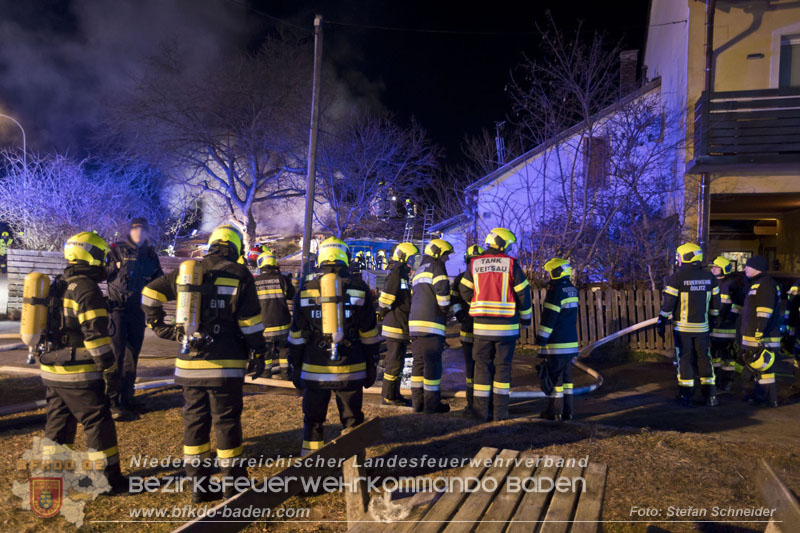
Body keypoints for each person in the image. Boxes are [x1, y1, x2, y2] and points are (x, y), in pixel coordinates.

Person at [141, 224, 267, 502]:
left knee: (195, 421)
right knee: (226, 422)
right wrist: (259, 352)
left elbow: (149, 294)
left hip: (190, 363)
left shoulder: (188, 270)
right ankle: (233, 485)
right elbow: (250, 322)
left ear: (212, 245)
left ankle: (199, 486)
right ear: (237, 249)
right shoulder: (239, 274)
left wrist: (160, 326)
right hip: (226, 364)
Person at [40, 232, 127, 493]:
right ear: (91, 256)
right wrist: (110, 370)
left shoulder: (59, 283)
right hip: (78, 372)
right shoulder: (87, 289)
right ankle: (106, 480)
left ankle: (52, 477)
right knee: (98, 421)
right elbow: (96, 338)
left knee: (58, 423)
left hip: (52, 370)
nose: (105, 263)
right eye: (102, 256)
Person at [287, 237, 381, 456]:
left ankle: (309, 471)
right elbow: (369, 334)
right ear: (345, 258)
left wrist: (295, 366)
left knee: (313, 421)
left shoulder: (306, 289)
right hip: (351, 367)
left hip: (314, 369)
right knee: (352, 419)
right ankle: (355, 471)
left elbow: (296, 336)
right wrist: (371, 365)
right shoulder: (360, 288)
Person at [459, 229, 532, 421]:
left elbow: (464, 290)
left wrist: (476, 304)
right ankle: (500, 412)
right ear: (501, 244)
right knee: (502, 368)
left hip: (481, 328)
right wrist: (525, 319)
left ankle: (481, 412)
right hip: (506, 328)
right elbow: (524, 294)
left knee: (481, 367)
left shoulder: (475, 264)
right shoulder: (510, 264)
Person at [106, 218, 163, 419]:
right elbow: (103, 273)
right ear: (130, 231)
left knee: (132, 358)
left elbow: (158, 283)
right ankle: (111, 401)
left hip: (138, 312)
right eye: (135, 229)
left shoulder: (150, 255)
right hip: (117, 311)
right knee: (116, 357)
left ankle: (127, 398)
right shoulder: (117, 251)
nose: (138, 232)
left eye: (142, 229)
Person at [656, 243, 720, 407]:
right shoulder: (710, 277)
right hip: (703, 328)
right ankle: (711, 396)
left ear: (685, 257)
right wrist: (713, 320)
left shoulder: (677, 277)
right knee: (704, 359)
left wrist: (661, 321)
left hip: (683, 329)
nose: (677, 259)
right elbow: (715, 304)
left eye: (678, 256)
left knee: (685, 359)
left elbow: (669, 303)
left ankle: (686, 395)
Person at [409, 238, 454, 414]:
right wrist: (446, 310)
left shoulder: (419, 270)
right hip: (431, 324)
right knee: (432, 365)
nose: (447, 259)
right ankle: (431, 405)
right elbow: (442, 294)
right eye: (446, 255)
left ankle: (417, 403)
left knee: (418, 363)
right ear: (437, 254)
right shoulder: (437, 267)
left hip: (415, 325)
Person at [535, 258, 579, 421]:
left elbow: (549, 318)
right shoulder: (573, 290)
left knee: (556, 381)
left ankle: (554, 413)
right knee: (567, 381)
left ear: (556, 272)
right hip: (571, 344)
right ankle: (568, 412)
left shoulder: (555, 291)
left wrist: (541, 339)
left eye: (550, 272)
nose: (548, 275)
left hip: (557, 344)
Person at [377, 242, 418, 407]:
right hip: (395, 325)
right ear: (403, 257)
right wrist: (382, 313)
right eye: (412, 257)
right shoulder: (396, 275)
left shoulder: (402, 275)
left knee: (399, 362)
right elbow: (386, 300)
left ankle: (395, 395)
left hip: (400, 324)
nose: (414, 260)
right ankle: (388, 396)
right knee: (394, 362)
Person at [739, 255, 782, 407]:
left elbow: (764, 311)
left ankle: (768, 399)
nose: (745, 269)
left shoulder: (765, 284)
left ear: (756, 267)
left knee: (764, 369)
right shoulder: (758, 283)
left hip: (762, 336)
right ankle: (762, 396)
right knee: (759, 369)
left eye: (747, 266)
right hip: (756, 334)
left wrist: (759, 331)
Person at [450, 244, 484, 413]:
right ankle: (472, 402)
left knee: (482, 366)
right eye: (472, 261)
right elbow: (454, 299)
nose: (474, 264)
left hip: (484, 330)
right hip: (469, 329)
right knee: (471, 367)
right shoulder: (460, 279)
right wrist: (459, 315)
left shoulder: (486, 278)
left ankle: (481, 401)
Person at [254, 248, 295, 379]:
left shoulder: (255, 282)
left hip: (264, 326)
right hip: (283, 325)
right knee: (284, 352)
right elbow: (291, 295)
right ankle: (286, 375)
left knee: (266, 353)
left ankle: (265, 375)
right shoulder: (282, 279)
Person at [709, 256, 749, 391]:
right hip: (713, 327)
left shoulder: (732, 284)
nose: (713, 269)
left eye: (716, 267)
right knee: (714, 357)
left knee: (728, 358)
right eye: (713, 267)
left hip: (727, 328)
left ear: (724, 269)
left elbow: (738, 304)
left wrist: (729, 318)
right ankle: (714, 381)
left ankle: (727, 381)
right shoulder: (711, 282)